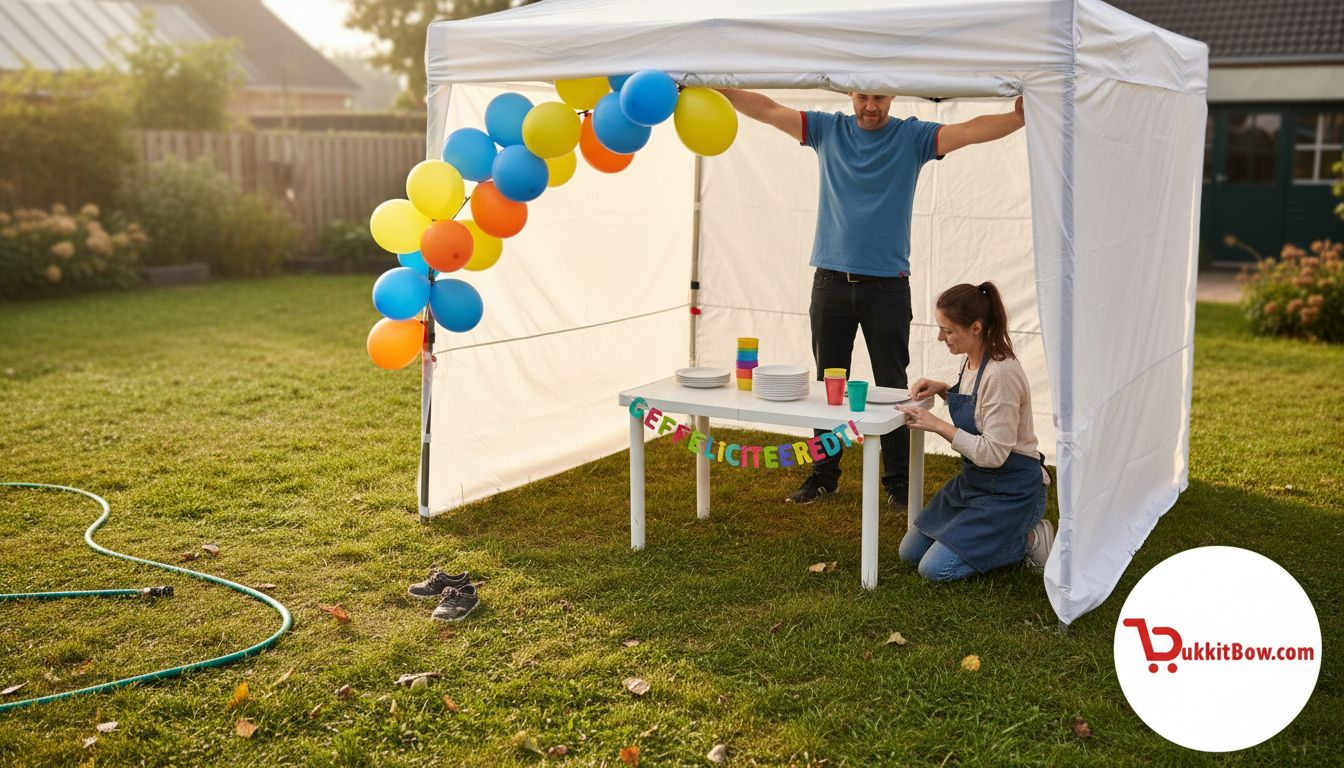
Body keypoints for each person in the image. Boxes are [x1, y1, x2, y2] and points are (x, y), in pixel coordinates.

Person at [717, 88, 1026, 507]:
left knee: (893, 385)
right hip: (830, 282)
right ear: (850, 93)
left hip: (887, 287)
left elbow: (970, 130)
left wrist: (1018, 118)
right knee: (829, 384)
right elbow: (769, 110)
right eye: (862, 96)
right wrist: (719, 87)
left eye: (879, 97)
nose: (870, 106)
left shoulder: (912, 138)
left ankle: (897, 481)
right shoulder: (826, 130)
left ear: (892, 95)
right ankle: (824, 475)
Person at [896, 282, 1053, 581]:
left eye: (947, 331)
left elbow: (994, 454)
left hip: (1012, 491)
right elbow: (981, 411)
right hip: (975, 483)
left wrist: (938, 425)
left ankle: (1030, 539)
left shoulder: (1002, 375)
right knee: (910, 552)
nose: (940, 337)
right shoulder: (971, 361)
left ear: (976, 328)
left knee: (934, 569)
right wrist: (944, 389)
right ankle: (977, 536)